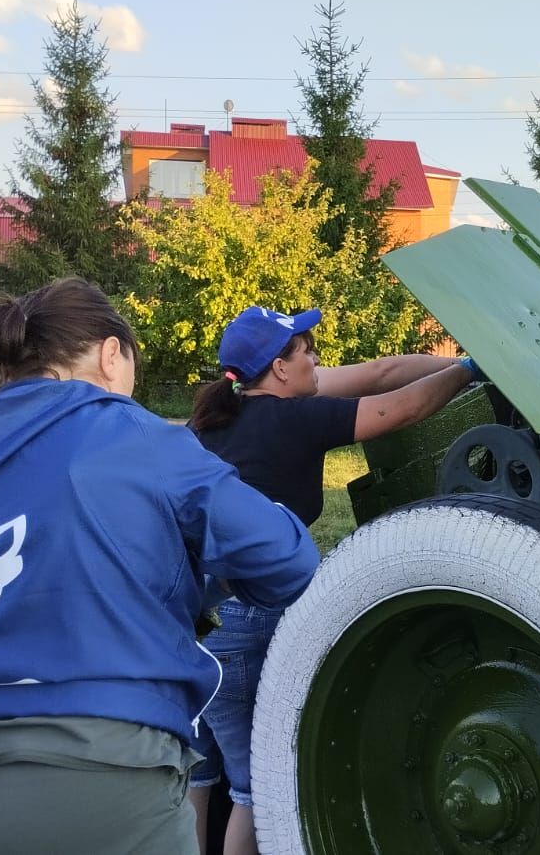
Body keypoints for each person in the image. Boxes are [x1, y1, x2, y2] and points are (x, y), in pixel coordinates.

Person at [0, 279, 320, 855]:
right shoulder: (131, 430)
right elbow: (286, 558)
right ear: (112, 355)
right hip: (91, 768)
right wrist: (198, 576)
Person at [184, 305, 480, 855]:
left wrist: (461, 362)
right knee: (253, 788)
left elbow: (381, 374)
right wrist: (470, 370)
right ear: (278, 368)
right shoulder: (298, 419)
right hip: (252, 615)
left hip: (195, 616)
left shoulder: (212, 421)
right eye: (306, 350)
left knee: (200, 776)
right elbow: (402, 408)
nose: (316, 357)